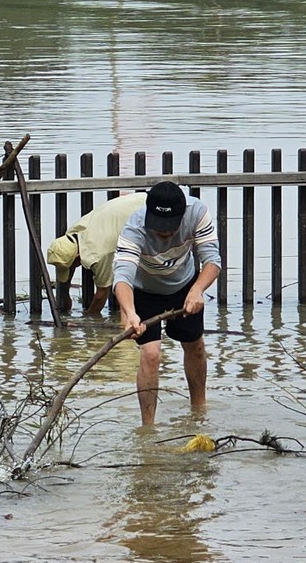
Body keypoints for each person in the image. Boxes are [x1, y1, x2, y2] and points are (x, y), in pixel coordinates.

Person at [113, 180, 222, 426]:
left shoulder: (198, 212)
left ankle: (199, 412)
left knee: (194, 345)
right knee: (151, 353)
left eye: (170, 227)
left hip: (184, 286)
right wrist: (129, 313)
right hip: (144, 290)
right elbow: (123, 275)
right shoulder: (134, 228)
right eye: (160, 227)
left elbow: (212, 259)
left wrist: (197, 291)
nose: (165, 233)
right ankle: (148, 427)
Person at [47, 191, 146, 317]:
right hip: (136, 200)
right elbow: (70, 265)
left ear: (78, 258)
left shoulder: (99, 254)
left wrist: (89, 318)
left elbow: (102, 293)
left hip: (144, 211)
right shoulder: (73, 233)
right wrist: (65, 295)